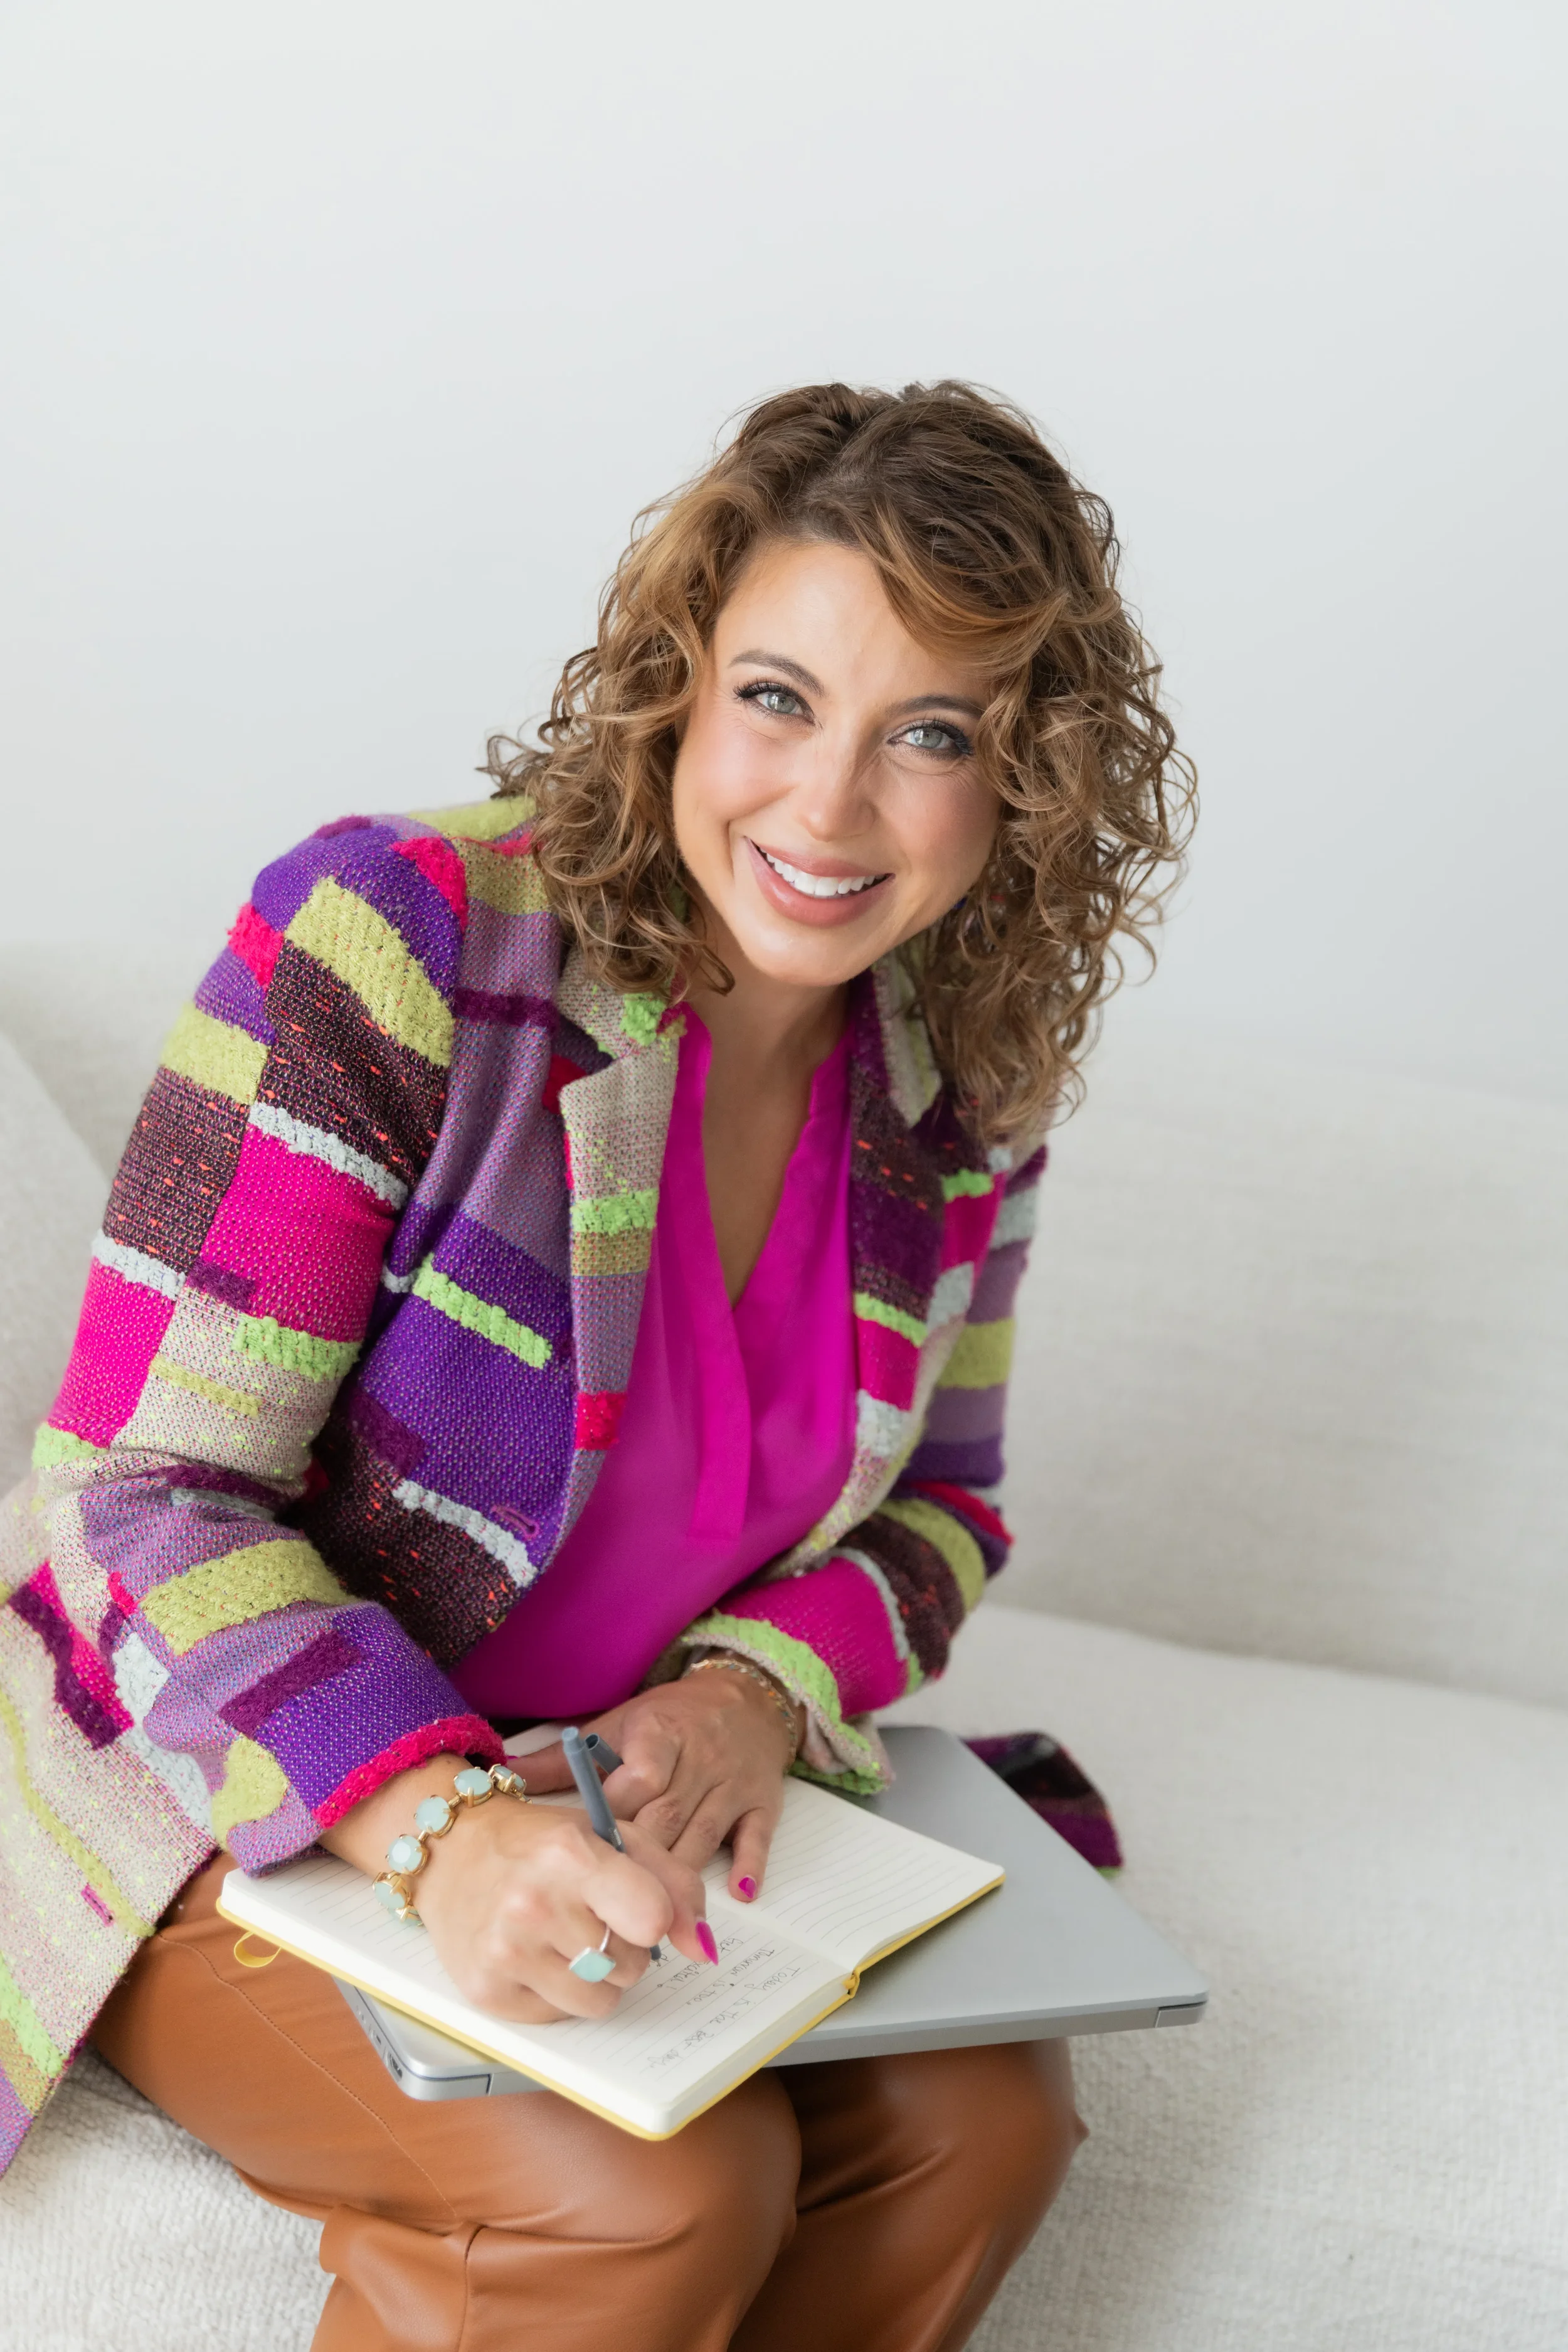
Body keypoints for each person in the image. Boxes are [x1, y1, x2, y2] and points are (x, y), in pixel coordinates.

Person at [0, 381, 1194, 2350]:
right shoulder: (398, 940)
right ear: (674, 689)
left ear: (1028, 789)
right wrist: (442, 1826)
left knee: (982, 2123)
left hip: (635, 1824)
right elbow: (140, 1489)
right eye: (779, 698)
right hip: (225, 1778)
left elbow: (945, 1515)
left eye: (932, 736)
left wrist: (745, 1693)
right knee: (641, 2189)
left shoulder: (956, 1095)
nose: (825, 810)